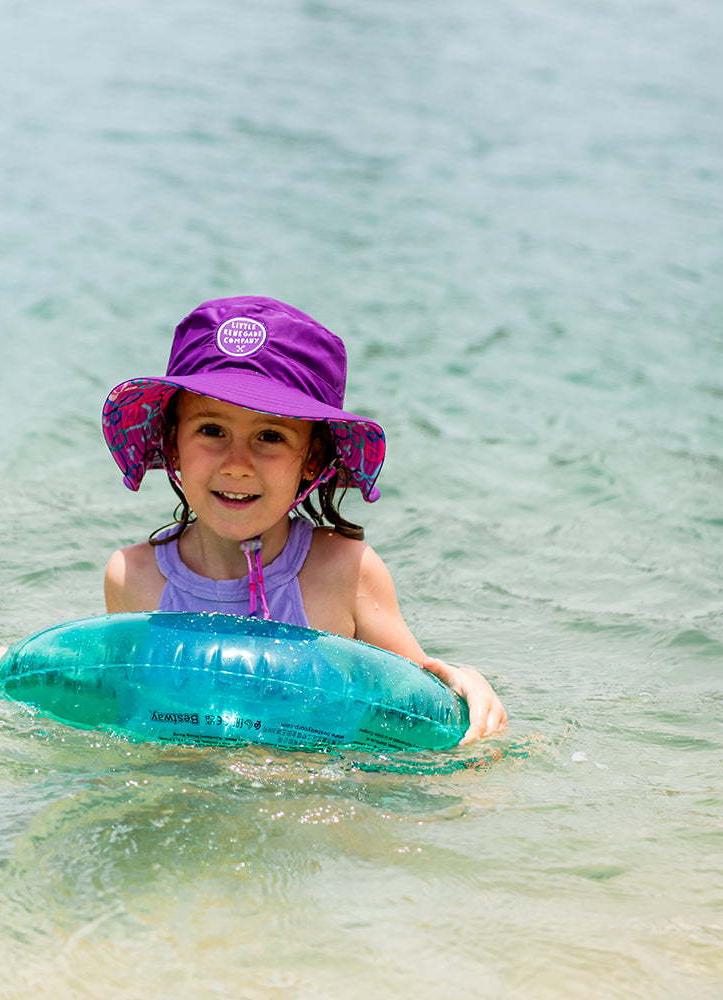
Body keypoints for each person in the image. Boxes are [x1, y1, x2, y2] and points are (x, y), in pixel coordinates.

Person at [98, 296, 507, 744]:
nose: (237, 464)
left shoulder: (346, 573)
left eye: (269, 436)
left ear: (312, 459)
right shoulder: (133, 578)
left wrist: (467, 684)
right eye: (212, 430)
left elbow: (419, 699)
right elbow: (122, 711)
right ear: (172, 443)